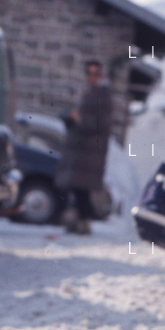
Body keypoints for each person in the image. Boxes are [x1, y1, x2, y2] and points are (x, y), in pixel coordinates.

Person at [55, 60, 113, 234]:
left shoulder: (103, 95)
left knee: (81, 189)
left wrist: (79, 119)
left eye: (95, 73)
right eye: (88, 72)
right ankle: (78, 220)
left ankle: (84, 221)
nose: (91, 77)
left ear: (101, 75)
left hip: (89, 152)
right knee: (77, 189)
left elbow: (101, 123)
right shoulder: (90, 93)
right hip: (81, 150)